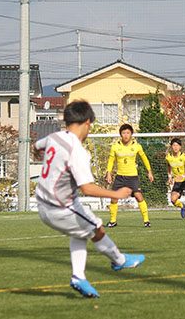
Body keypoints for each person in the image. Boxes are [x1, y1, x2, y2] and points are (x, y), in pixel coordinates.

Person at [35, 100, 145, 298]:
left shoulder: (54, 136)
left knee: (81, 232)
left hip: (44, 201)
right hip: (59, 206)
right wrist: (117, 194)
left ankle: (78, 276)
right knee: (96, 229)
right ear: (87, 122)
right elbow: (87, 188)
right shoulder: (77, 151)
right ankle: (119, 260)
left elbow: (37, 146)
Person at [105, 124, 154, 228]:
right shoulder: (115, 146)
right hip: (120, 177)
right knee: (114, 198)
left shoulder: (137, 146)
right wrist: (108, 173)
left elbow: (144, 158)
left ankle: (146, 220)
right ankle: (113, 221)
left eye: (128, 133)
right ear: (120, 135)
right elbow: (111, 160)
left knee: (138, 196)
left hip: (132, 177)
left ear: (131, 134)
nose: (126, 135)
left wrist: (149, 171)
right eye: (123, 133)